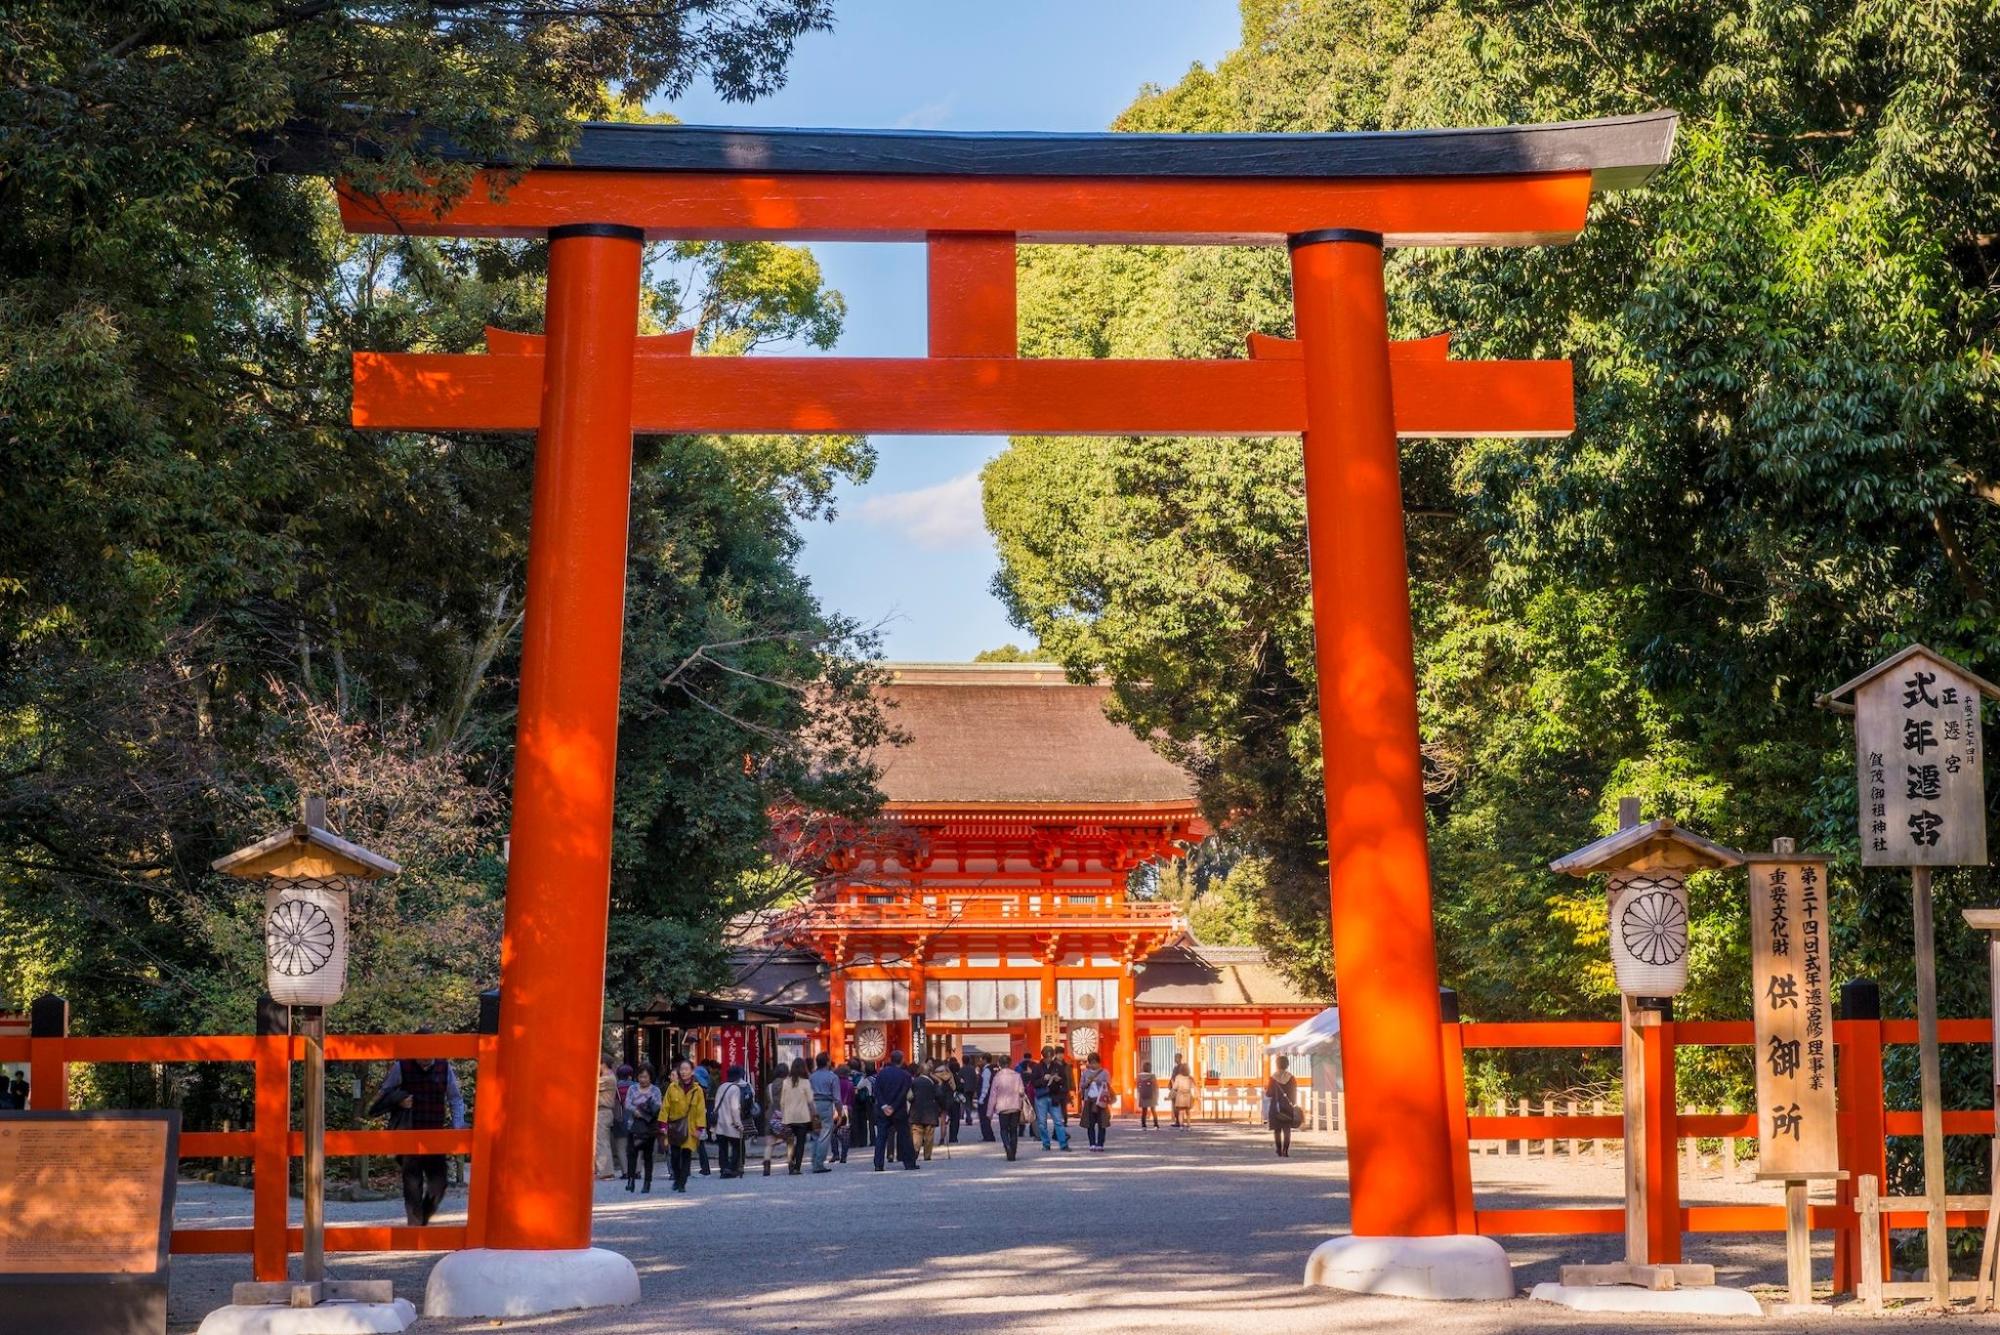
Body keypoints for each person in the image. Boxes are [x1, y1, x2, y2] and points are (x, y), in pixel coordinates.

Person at [368, 1040, 466, 1225]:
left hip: (434, 1133)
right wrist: (398, 1100)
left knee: (439, 1183)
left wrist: (457, 1128)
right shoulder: (401, 1067)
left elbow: (455, 1099)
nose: (424, 1058)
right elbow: (382, 1096)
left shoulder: (444, 1068)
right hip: (408, 1132)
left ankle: (423, 1218)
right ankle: (415, 1227)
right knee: (412, 1184)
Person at [662, 1059, 708, 1192]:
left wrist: (700, 1128)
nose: (683, 1072)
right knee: (675, 1156)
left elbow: (700, 1110)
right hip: (675, 1126)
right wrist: (663, 1125)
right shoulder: (672, 1087)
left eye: (686, 1069)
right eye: (681, 1069)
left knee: (686, 1155)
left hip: (691, 1127)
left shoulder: (697, 1089)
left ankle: (682, 1183)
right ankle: (677, 1178)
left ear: (692, 1071)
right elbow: (666, 1106)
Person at [870, 1050, 918, 1171]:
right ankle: (909, 1162)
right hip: (899, 1110)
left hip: (883, 1110)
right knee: (904, 1136)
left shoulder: (881, 1074)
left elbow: (877, 1091)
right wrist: (894, 1106)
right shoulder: (905, 1075)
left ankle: (878, 1164)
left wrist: (884, 1105)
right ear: (901, 1060)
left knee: (881, 1137)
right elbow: (903, 1093)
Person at [622, 1063, 663, 1192]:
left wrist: (644, 1111)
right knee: (631, 1154)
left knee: (648, 1156)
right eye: (640, 1076)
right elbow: (627, 1103)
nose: (643, 1079)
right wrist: (636, 1110)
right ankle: (631, 1180)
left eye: (645, 1077)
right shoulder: (632, 1089)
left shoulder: (655, 1090)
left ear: (650, 1077)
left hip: (649, 1128)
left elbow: (658, 1106)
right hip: (633, 1125)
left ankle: (647, 1182)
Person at [712, 1063, 752, 1178]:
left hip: (720, 1123)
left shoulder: (722, 1086)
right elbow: (735, 1108)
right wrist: (738, 1123)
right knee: (736, 1147)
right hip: (731, 1124)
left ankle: (723, 1168)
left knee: (722, 1149)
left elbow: (716, 1105)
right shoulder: (735, 1089)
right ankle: (731, 1168)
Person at [983, 1057, 1027, 1161]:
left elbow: (993, 1095)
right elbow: (1021, 1091)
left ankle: (1007, 1146)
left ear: (1000, 1064)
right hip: (1015, 1106)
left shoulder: (997, 1077)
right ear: (1010, 1063)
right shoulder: (1017, 1076)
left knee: (1003, 1129)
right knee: (1013, 1130)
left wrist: (989, 1112)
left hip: (1002, 1107)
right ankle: (1013, 1151)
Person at [778, 1057, 815, 1175]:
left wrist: (784, 1114)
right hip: (802, 1117)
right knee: (800, 1143)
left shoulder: (785, 1082)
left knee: (790, 1143)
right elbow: (810, 1101)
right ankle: (797, 1167)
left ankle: (790, 1164)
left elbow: (782, 1102)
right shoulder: (805, 1082)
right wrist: (814, 1114)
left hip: (788, 1117)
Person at [808, 1051, 842, 1173]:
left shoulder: (811, 1077)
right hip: (826, 1104)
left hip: (813, 1105)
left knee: (815, 1134)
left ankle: (814, 1160)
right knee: (825, 1133)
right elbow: (837, 1098)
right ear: (827, 1062)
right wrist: (840, 1112)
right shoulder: (832, 1077)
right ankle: (819, 1163)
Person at [1034, 1045, 1071, 1152]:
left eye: (1051, 1056)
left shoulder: (1058, 1066)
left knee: (1058, 1121)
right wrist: (1043, 1079)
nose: (1049, 1059)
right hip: (1042, 1096)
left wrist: (1058, 1079)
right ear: (1043, 1057)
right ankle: (1046, 1143)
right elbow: (1034, 1082)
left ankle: (1063, 1144)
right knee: (1042, 1122)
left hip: (1054, 1095)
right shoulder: (1037, 1067)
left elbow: (1064, 1081)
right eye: (1047, 1057)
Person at [1266, 1054, 1300, 1157]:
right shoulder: (1291, 1078)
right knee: (1287, 1129)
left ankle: (1279, 1150)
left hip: (1276, 1106)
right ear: (1287, 1065)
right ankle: (1286, 1150)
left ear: (1277, 1065)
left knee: (1277, 1129)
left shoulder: (1273, 1078)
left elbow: (1269, 1093)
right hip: (1288, 1106)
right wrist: (1293, 1103)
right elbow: (1294, 1093)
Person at [1079, 1052, 1113, 1151]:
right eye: (1091, 1063)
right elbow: (1082, 1086)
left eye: (1095, 1063)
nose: (1093, 1065)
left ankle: (1100, 1143)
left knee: (1102, 1123)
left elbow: (1108, 1084)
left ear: (1098, 1062)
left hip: (1101, 1101)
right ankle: (1092, 1143)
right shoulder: (1085, 1073)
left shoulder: (1104, 1072)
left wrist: (1099, 1082)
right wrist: (1087, 1082)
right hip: (1089, 1100)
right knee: (1090, 1124)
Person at [909, 1062, 942, 1162]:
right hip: (930, 1113)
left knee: (916, 1133)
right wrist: (939, 1083)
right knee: (929, 1135)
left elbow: (910, 1097)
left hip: (916, 1112)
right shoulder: (932, 1083)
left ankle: (915, 1151)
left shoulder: (914, 1082)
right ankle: (927, 1155)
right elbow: (939, 1095)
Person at [693, 1058, 718, 1177]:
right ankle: (705, 1168)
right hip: (699, 1118)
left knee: (698, 1145)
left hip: (695, 1119)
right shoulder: (702, 1088)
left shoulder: (696, 1088)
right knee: (699, 1145)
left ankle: (704, 1168)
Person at [1017, 1049, 1047, 1147]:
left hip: (1024, 1093)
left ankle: (1021, 1131)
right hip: (1035, 1094)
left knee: (1023, 1112)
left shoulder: (1019, 1067)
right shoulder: (1035, 1065)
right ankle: (1033, 1132)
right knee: (1035, 1114)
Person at [595, 1057, 618, 1179]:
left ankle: (606, 1171)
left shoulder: (607, 1078)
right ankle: (602, 1170)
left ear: (603, 1064)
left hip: (603, 1111)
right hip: (603, 1112)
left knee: (601, 1142)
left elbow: (592, 1084)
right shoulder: (610, 1076)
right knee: (601, 1141)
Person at [610, 1062, 634, 1178]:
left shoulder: (615, 1087)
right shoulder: (636, 1086)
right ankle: (636, 1171)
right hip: (634, 1117)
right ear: (630, 1075)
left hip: (619, 1117)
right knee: (635, 1147)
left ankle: (625, 1172)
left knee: (621, 1147)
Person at [850, 1062, 874, 1150]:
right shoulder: (862, 1076)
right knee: (863, 1121)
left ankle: (855, 1141)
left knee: (854, 1121)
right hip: (864, 1100)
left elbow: (858, 1086)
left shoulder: (849, 1076)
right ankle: (863, 1140)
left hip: (853, 1101)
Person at [834, 1063, 855, 1164]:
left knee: (833, 1132)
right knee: (846, 1133)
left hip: (834, 1109)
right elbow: (852, 1098)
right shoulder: (850, 1084)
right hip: (847, 1108)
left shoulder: (835, 1082)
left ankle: (835, 1153)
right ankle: (844, 1156)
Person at [943, 1056, 964, 1144]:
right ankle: (953, 1137)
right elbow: (960, 1088)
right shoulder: (957, 1077)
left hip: (947, 1099)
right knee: (955, 1119)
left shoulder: (947, 1077)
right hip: (955, 1100)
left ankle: (944, 1136)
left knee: (948, 1118)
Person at [975, 1055, 996, 1142]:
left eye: (981, 1059)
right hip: (989, 1097)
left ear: (985, 1060)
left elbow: (985, 1085)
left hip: (985, 1098)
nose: (980, 1061)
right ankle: (989, 1135)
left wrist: (981, 1098)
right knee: (986, 1118)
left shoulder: (986, 1071)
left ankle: (988, 1136)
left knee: (984, 1118)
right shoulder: (990, 1069)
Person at [1170, 1058, 1195, 1130]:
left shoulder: (1178, 1077)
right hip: (1188, 1095)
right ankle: (1189, 1125)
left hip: (1180, 1096)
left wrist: (1172, 1083)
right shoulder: (1190, 1078)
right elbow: (1193, 1086)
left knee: (1181, 1112)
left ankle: (1181, 1126)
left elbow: (1175, 1087)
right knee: (1188, 1112)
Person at [1136, 1060, 1160, 1129]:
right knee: (1153, 1110)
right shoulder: (1152, 1076)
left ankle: (1143, 1124)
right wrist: (1157, 1096)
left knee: (1144, 1110)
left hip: (1143, 1095)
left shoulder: (1139, 1076)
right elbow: (1155, 1087)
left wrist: (1140, 1093)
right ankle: (1156, 1124)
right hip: (1152, 1095)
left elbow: (1138, 1086)